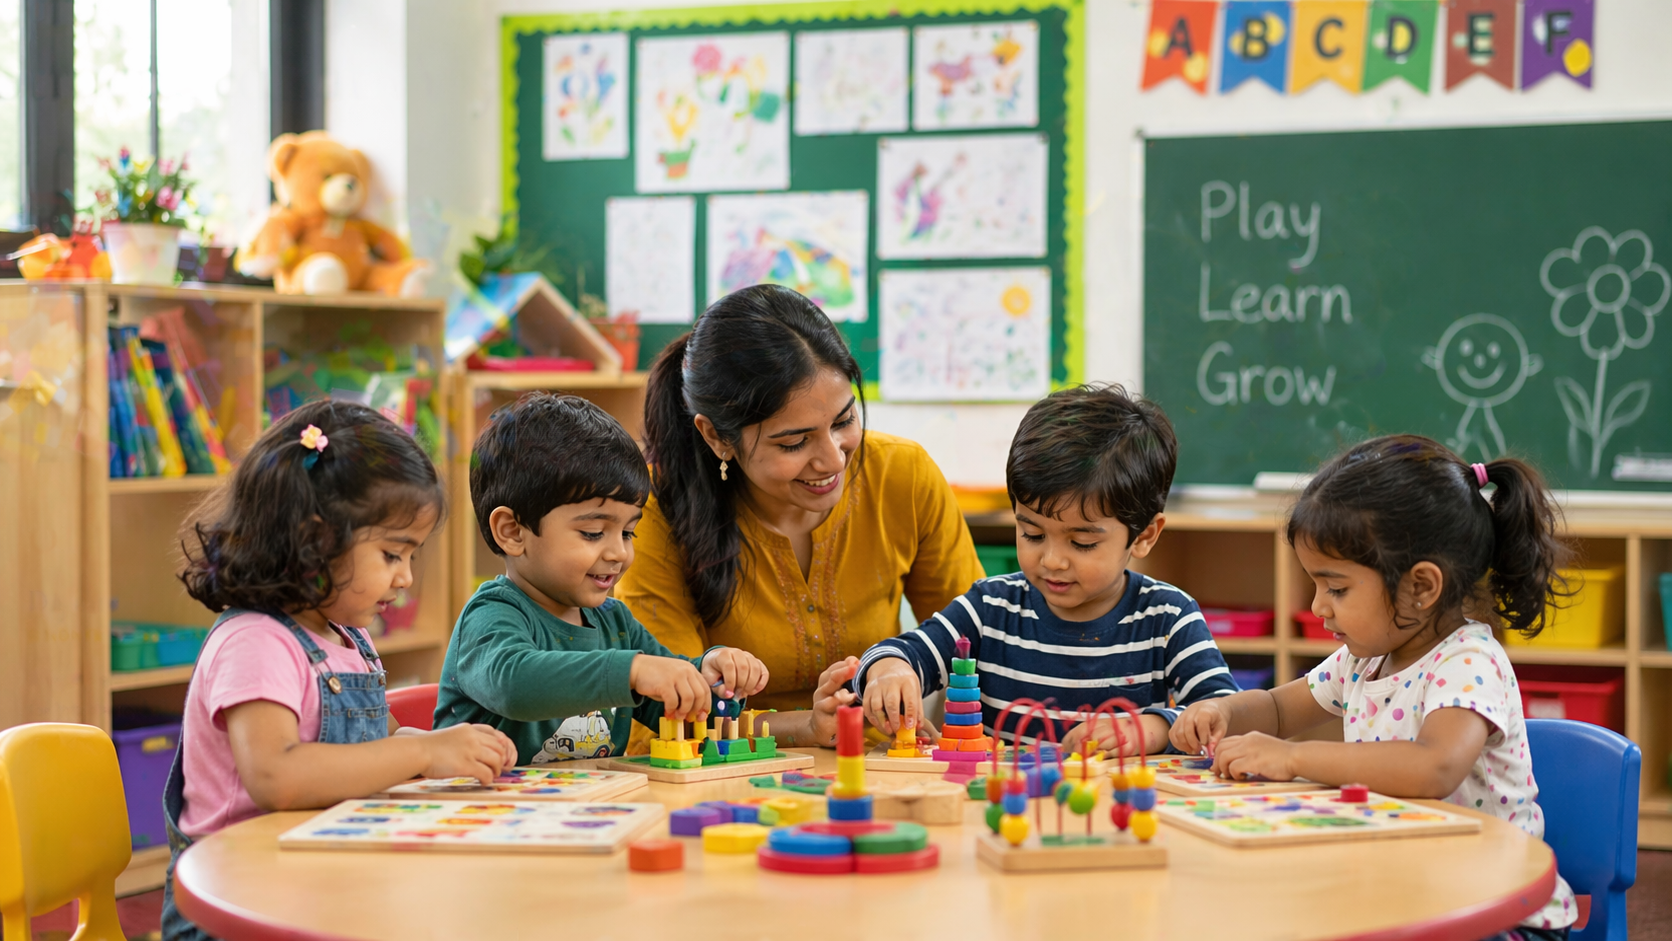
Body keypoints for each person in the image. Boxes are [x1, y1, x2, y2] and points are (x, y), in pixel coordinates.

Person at [1170, 434, 1577, 939]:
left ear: (1421, 586)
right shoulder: (1364, 660)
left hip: (1499, 912)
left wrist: (1294, 758)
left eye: (1337, 588)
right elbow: (1277, 708)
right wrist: (1225, 712)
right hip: (1409, 892)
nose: (1318, 606)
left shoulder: (1469, 662)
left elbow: (1434, 767)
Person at [164, 401, 517, 941]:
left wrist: (443, 747)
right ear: (315, 540)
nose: (405, 578)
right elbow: (277, 778)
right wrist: (421, 754)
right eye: (392, 555)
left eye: (411, 557)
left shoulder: (348, 637)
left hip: (317, 877)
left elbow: (373, 741)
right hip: (237, 902)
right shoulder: (255, 641)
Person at [619, 284, 986, 738]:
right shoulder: (653, 512)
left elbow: (975, 643)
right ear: (716, 437)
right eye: (794, 442)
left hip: (876, 765)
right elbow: (666, 717)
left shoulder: (903, 474)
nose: (833, 460)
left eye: (844, 421)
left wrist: (907, 673)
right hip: (723, 770)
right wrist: (805, 728)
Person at [856, 384, 1238, 753]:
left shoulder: (1168, 617)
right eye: (1033, 534)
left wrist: (1152, 729)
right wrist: (890, 670)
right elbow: (901, 653)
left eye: (1082, 542)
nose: (1052, 560)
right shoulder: (989, 609)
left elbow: (1223, 713)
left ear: (1144, 535)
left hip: (1117, 797)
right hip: (1004, 796)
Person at [433, 392, 774, 763]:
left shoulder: (616, 624)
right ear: (513, 531)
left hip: (594, 800)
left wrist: (711, 678)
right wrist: (633, 671)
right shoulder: (490, 616)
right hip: (482, 800)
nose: (619, 553)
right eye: (593, 533)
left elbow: (675, 711)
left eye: (628, 533)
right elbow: (513, 685)